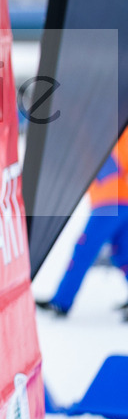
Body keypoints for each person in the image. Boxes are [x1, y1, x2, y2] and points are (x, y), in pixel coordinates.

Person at [37, 129, 128, 318]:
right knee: (123, 253)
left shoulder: (114, 128)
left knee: (84, 249)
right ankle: (61, 301)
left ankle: (61, 302)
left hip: (111, 200)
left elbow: (113, 164)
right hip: (117, 198)